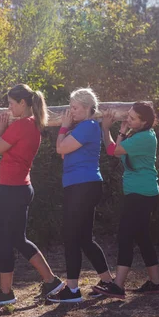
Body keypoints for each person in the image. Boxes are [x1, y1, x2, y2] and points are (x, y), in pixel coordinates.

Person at [0, 84, 64, 306]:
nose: (8, 109)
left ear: (23, 103)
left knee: (4, 239)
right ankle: (50, 281)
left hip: (10, 189)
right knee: (18, 238)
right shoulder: (34, 124)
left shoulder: (21, 126)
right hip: (21, 187)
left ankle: (6, 293)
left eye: (11, 104)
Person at [47, 88, 114, 303]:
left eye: (75, 107)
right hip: (83, 185)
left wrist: (64, 126)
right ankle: (107, 281)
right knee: (84, 239)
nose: (71, 111)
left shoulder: (87, 126)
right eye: (70, 106)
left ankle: (72, 290)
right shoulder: (86, 127)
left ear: (87, 109)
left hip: (82, 187)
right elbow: (64, 151)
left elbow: (60, 149)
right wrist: (65, 135)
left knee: (71, 238)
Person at [93, 101, 159, 299]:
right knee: (142, 237)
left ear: (145, 122)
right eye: (128, 115)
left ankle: (118, 285)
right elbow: (116, 151)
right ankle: (156, 283)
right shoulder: (139, 134)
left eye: (132, 118)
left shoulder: (144, 138)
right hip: (141, 192)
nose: (128, 119)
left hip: (141, 194)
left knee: (125, 236)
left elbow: (113, 150)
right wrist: (121, 132)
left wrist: (106, 128)